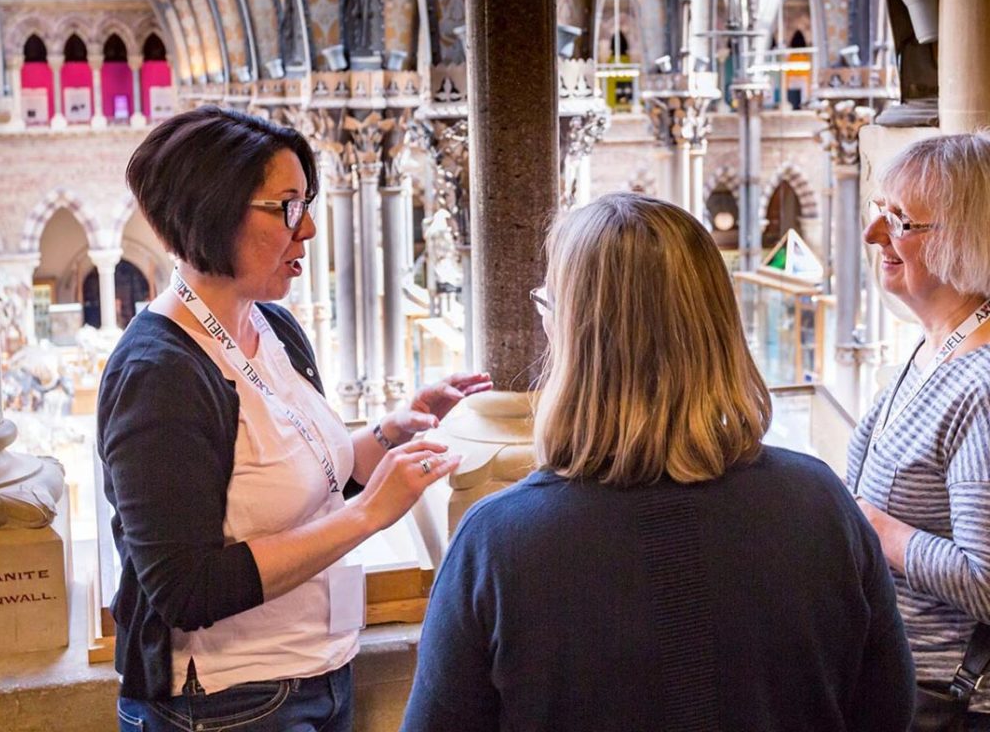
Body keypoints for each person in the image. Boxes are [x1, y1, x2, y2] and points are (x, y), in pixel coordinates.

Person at [401, 193, 914, 732]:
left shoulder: (499, 543)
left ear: (576, 339)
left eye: (548, 307)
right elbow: (887, 711)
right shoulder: (819, 502)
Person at [99, 105, 491, 731]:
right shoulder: (159, 374)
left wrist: (391, 431)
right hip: (225, 703)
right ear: (215, 211)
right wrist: (369, 515)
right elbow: (184, 588)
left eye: (305, 203)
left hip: (320, 673)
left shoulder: (270, 322)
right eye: (286, 207)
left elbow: (307, 475)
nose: (307, 228)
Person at [848, 132, 990, 727]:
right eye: (879, 213)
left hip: (952, 705)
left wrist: (881, 533)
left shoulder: (982, 384)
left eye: (901, 221)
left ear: (964, 237)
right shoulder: (933, 350)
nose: (874, 235)